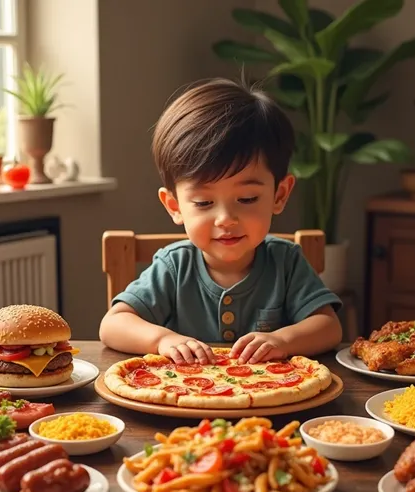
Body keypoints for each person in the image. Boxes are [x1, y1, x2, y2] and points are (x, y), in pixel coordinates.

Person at [99, 77, 343, 365]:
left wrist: (282, 340)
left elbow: (329, 328)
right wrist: (163, 339)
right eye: (204, 203)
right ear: (174, 206)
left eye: (248, 199)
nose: (226, 219)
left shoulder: (286, 262)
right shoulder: (174, 266)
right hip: (184, 400)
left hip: (275, 400)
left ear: (279, 195)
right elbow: (112, 325)